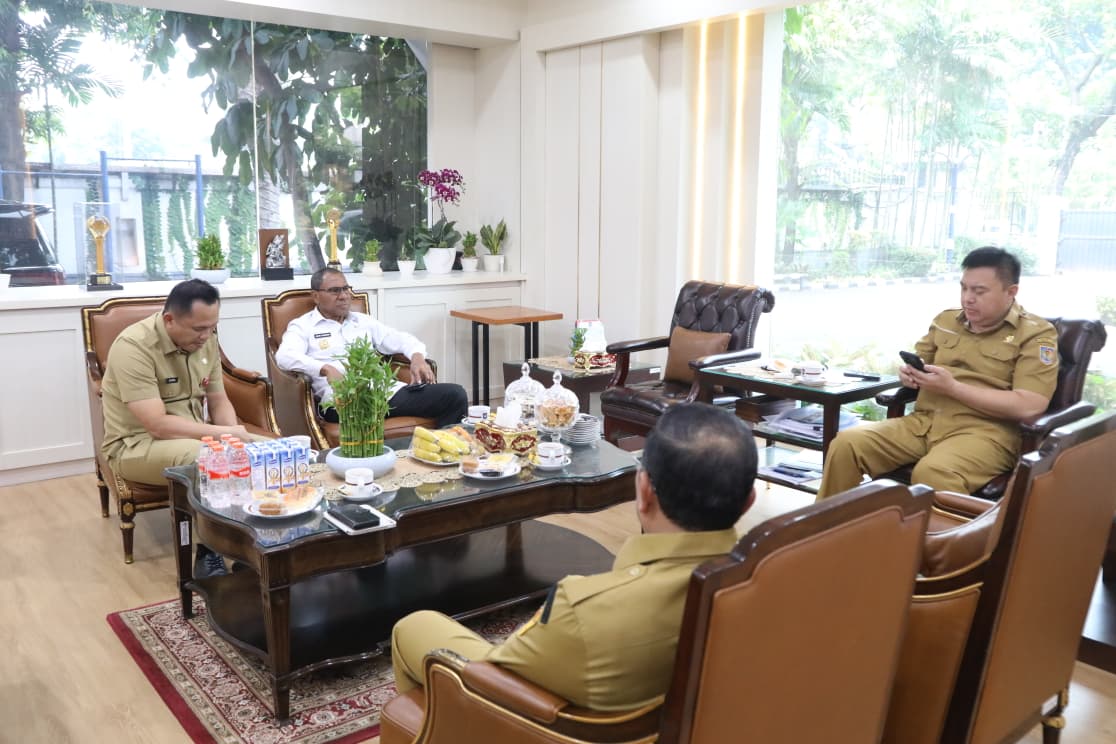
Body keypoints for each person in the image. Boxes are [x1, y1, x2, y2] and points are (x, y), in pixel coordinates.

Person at [390, 402, 758, 711]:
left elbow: (499, 676)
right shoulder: (767, 580)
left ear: (644, 492)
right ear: (748, 502)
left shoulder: (586, 609)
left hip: (519, 722)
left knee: (414, 627)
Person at [816, 247, 1059, 499]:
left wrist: (953, 388)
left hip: (985, 434)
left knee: (933, 473)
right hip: (924, 423)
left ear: (1011, 292)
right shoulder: (947, 321)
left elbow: (1030, 405)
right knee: (847, 444)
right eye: (964, 288)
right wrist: (909, 375)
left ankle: (936, 528)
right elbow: (921, 361)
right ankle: (828, 524)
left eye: (979, 291)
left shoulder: (1035, 334)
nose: (967, 299)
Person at [100, 279, 256, 576]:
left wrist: (236, 437)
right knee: (208, 458)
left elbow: (218, 400)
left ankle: (251, 546)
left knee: (267, 450)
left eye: (212, 327)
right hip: (136, 445)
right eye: (199, 329)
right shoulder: (133, 347)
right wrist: (225, 436)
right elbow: (157, 425)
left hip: (196, 434)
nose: (206, 336)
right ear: (169, 319)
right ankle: (209, 551)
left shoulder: (206, 340)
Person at [275, 267, 468, 428]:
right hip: (343, 400)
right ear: (316, 296)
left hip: (385, 393)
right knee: (361, 407)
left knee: (454, 394)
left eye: (346, 289)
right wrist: (325, 369)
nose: (344, 296)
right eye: (335, 291)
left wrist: (417, 357)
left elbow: (401, 339)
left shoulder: (363, 322)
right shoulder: (303, 326)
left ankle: (440, 451)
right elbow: (284, 356)